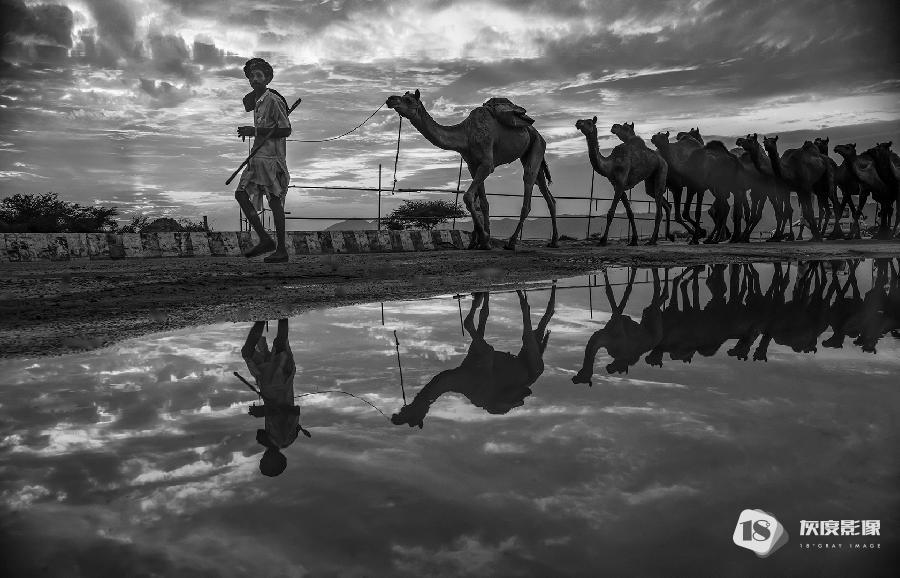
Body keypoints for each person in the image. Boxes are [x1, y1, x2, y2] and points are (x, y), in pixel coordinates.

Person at [235, 57, 292, 263]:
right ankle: (266, 240)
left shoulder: (273, 100)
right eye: (251, 76)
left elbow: (286, 129)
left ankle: (281, 250)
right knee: (241, 194)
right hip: (257, 158)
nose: (254, 79)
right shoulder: (257, 102)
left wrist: (255, 131)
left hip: (271, 160)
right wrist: (254, 132)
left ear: (267, 78)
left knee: (274, 201)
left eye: (258, 75)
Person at [241, 319, 310, 477]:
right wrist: (264, 411)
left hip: (273, 383)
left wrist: (265, 412)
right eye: (265, 462)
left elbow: (286, 415)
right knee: (259, 350)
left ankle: (276, 314)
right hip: (277, 383)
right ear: (275, 461)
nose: (262, 459)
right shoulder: (283, 439)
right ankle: (272, 315)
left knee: (277, 346)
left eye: (261, 462)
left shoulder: (275, 440)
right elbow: (292, 411)